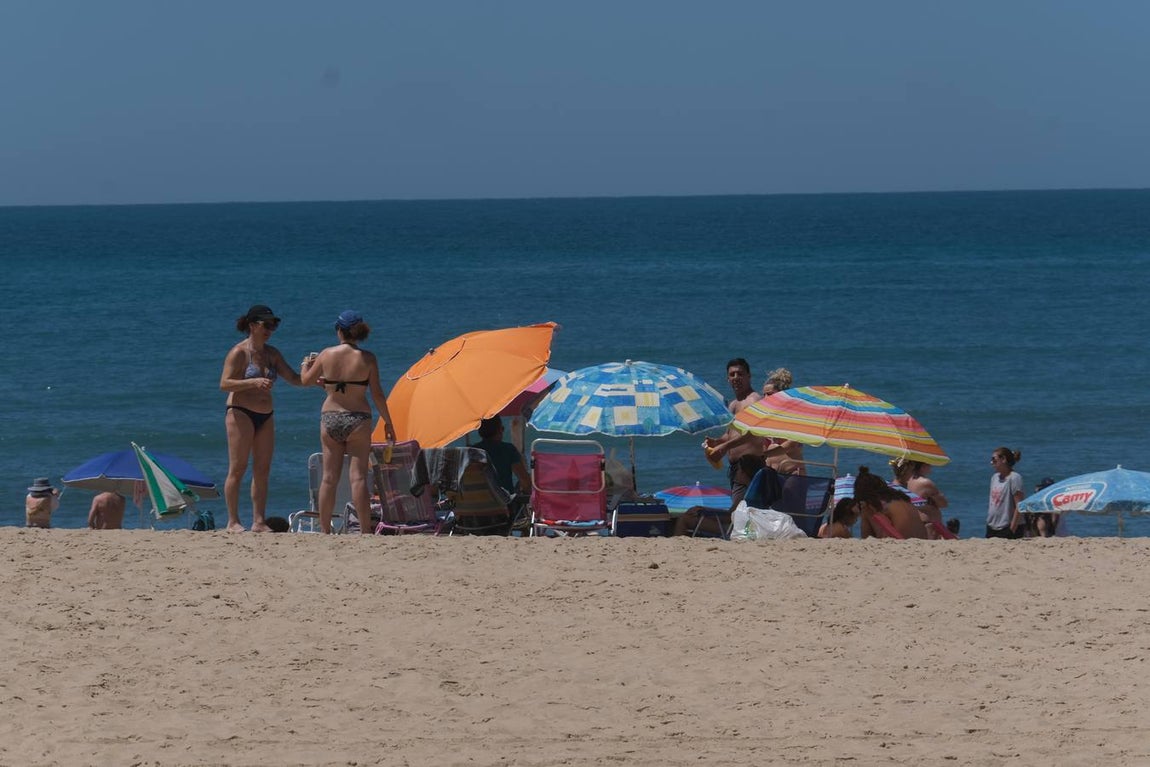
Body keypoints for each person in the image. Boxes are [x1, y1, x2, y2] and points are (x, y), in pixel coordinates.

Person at [301, 310, 397, 535]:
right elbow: (378, 394)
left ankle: (325, 530)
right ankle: (364, 530)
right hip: (358, 418)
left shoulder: (326, 355)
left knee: (329, 477)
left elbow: (305, 381)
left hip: (331, 417)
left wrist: (305, 364)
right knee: (359, 477)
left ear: (339, 330)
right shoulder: (368, 358)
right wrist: (388, 422)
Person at [220, 304, 306, 532]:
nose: (270, 329)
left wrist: (311, 374)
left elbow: (295, 379)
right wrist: (253, 382)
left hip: (265, 414)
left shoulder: (272, 353)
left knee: (262, 469)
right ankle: (233, 521)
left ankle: (259, 521)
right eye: (265, 324)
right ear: (252, 326)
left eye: (273, 325)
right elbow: (225, 383)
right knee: (238, 468)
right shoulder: (239, 352)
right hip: (240, 412)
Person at [702, 358, 765, 506]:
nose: (736, 378)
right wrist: (717, 441)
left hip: (751, 466)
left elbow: (753, 434)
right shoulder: (733, 404)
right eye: (732, 375)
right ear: (728, 379)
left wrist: (724, 447)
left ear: (749, 376)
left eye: (740, 374)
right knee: (743, 515)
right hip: (737, 469)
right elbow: (730, 434)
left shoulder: (753, 401)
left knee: (739, 514)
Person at [855, 466, 928, 539]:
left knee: (866, 510)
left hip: (901, 543)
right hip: (922, 542)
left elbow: (866, 537)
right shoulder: (902, 498)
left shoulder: (874, 505)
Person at [759, 367, 805, 475]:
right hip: (772, 473)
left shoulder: (793, 415)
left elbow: (791, 444)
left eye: (769, 394)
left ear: (781, 394)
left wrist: (765, 454)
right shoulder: (766, 419)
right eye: (764, 394)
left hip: (793, 472)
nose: (765, 397)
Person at [474, 417, 531, 495]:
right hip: (503, 503)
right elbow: (525, 481)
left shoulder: (471, 451)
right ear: (500, 430)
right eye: (502, 428)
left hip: (474, 502)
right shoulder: (508, 449)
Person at [890, 458, 947, 535]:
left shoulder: (899, 483)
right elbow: (943, 504)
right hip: (928, 524)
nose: (931, 466)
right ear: (922, 466)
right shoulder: (925, 482)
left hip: (913, 524)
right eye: (929, 464)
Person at [987, 447, 1024, 539]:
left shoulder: (1014, 478)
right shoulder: (994, 477)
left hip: (1007, 527)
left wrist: (1012, 529)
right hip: (992, 525)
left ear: (1003, 459)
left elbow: (1019, 506)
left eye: (994, 460)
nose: (992, 463)